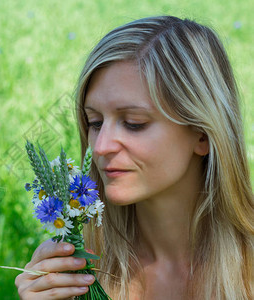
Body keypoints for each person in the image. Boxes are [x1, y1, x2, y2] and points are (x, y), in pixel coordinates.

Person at [15, 16, 253, 299]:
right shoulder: (79, 269)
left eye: (133, 123)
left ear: (202, 134)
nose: (101, 147)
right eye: (95, 122)